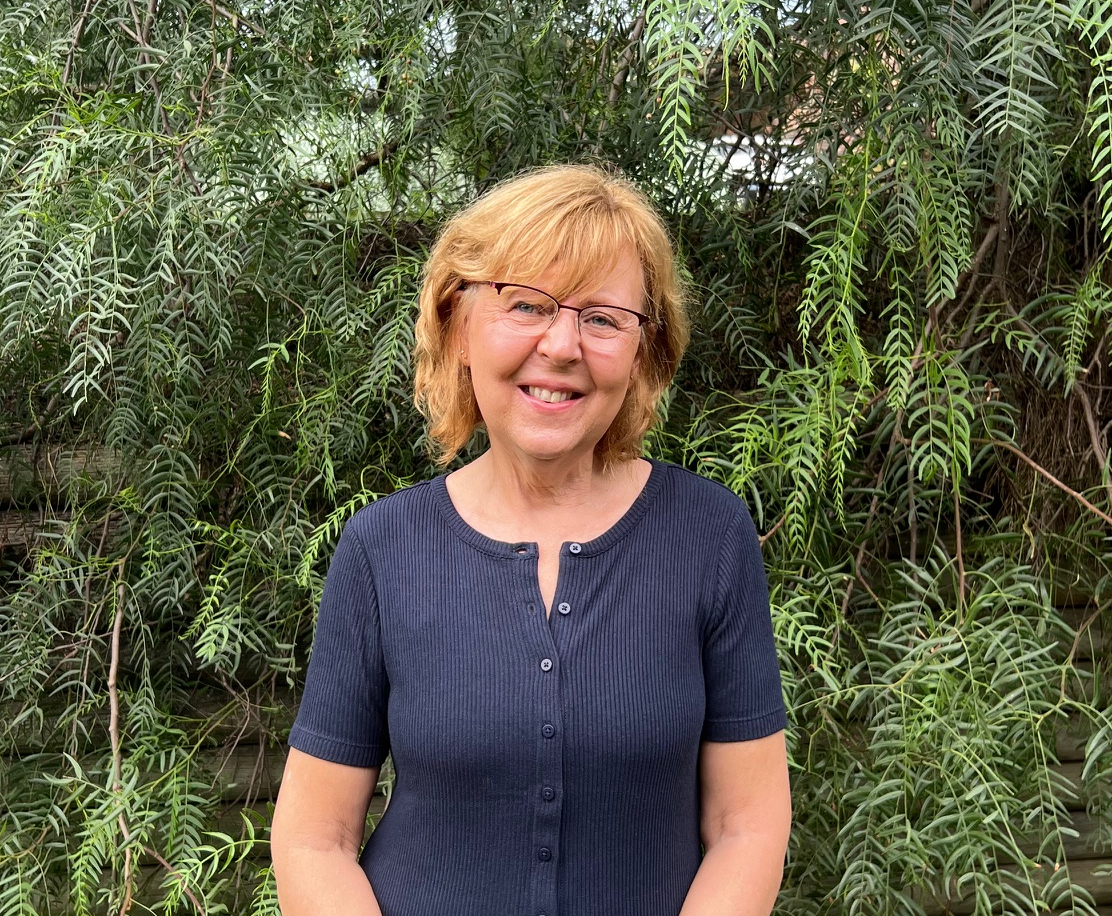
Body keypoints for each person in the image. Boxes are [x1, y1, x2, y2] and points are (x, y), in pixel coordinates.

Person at [270, 163, 791, 916]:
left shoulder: (708, 537)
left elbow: (747, 823)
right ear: (458, 326)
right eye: (526, 305)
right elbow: (313, 839)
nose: (562, 345)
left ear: (644, 353)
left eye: (603, 318)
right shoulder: (382, 550)